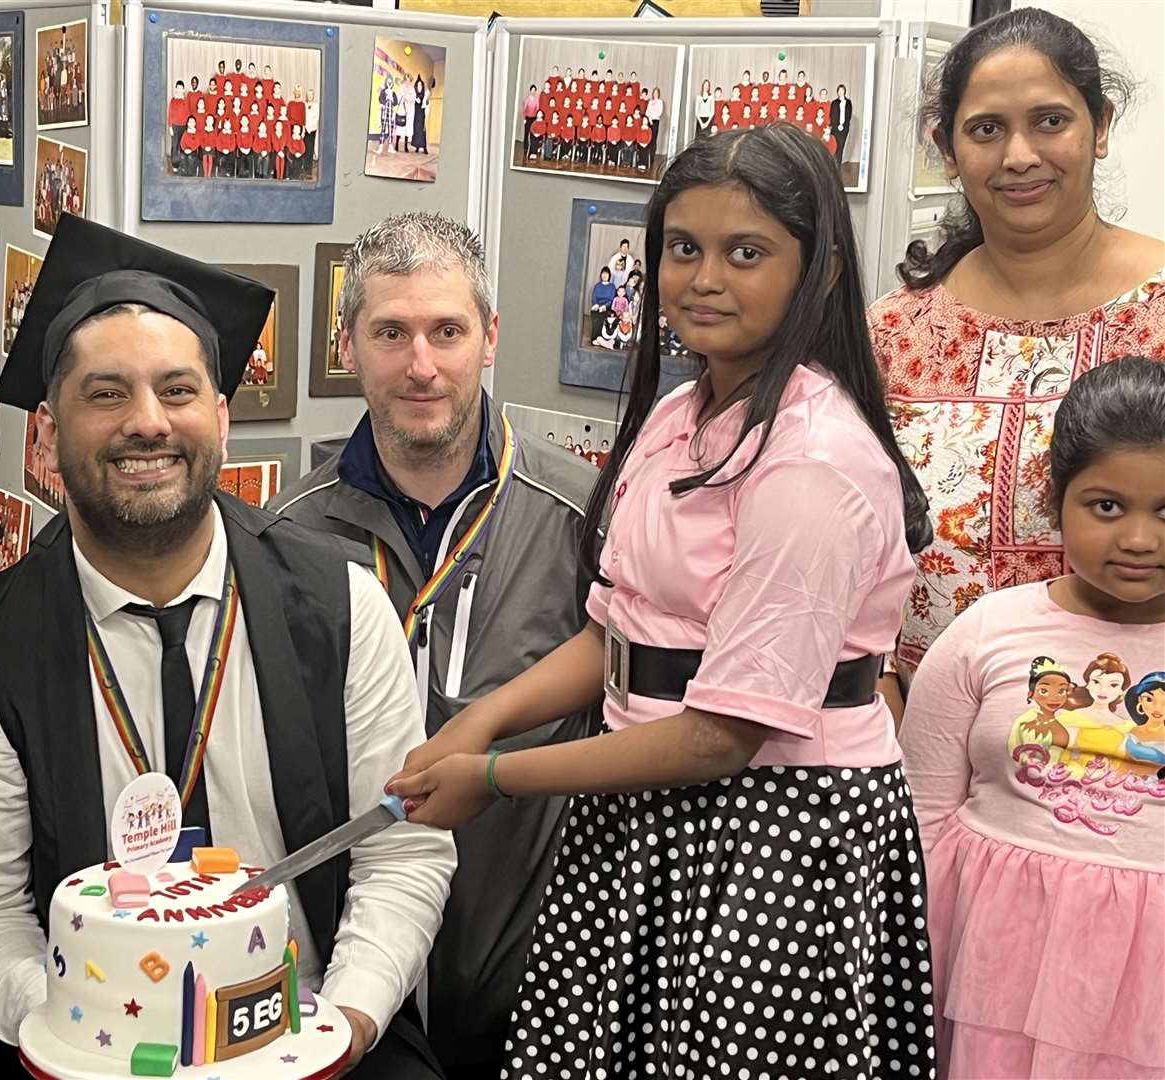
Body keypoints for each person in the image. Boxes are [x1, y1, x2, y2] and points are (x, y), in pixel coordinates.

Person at [388, 125, 936, 1080]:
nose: (704, 278)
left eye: (746, 252)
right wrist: (483, 719)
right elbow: (617, 626)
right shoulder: (686, 412)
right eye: (683, 248)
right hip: (645, 807)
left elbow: (719, 735)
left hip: (771, 828)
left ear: (820, 268)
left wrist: (498, 775)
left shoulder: (812, 462)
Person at [0, 214, 456, 1080]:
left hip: (313, 1026)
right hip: (86, 1049)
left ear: (219, 416)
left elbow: (402, 853)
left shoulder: (344, 608)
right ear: (48, 435)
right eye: (105, 394)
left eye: (176, 391)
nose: (146, 422)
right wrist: (80, 1039)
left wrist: (343, 1027)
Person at [269, 212, 597, 1080]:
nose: (421, 366)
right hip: (348, 984)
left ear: (489, 337)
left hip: (535, 979)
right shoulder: (284, 543)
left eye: (446, 331)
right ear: (348, 345)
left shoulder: (582, 517)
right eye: (390, 333)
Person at [869, 7, 1165, 686]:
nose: (1018, 155)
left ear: (1101, 128)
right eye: (986, 130)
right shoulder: (890, 334)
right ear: (946, 149)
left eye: (1049, 121)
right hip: (910, 731)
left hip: (1124, 741)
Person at [899, 357, 1165, 1079]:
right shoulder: (987, 631)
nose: (1138, 539)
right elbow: (920, 812)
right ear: (1054, 505)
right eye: (1106, 506)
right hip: (989, 960)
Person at [830, 83, 853, 166]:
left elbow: (848, 116)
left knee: (841, 146)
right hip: (835, 128)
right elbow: (832, 116)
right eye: (839, 90)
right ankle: (832, 164)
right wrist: (836, 126)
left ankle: (838, 165)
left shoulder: (848, 103)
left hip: (844, 128)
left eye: (842, 90)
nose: (840, 92)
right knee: (834, 146)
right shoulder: (834, 103)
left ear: (844, 91)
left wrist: (843, 125)